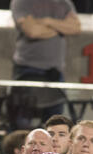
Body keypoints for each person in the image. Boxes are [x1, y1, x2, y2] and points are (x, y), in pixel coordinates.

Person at [9, 0, 81, 128]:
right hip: (27, 70)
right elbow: (33, 31)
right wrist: (60, 27)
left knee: (56, 124)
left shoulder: (64, 3)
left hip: (55, 73)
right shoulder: (22, 2)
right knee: (21, 125)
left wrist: (47, 21)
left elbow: (75, 28)